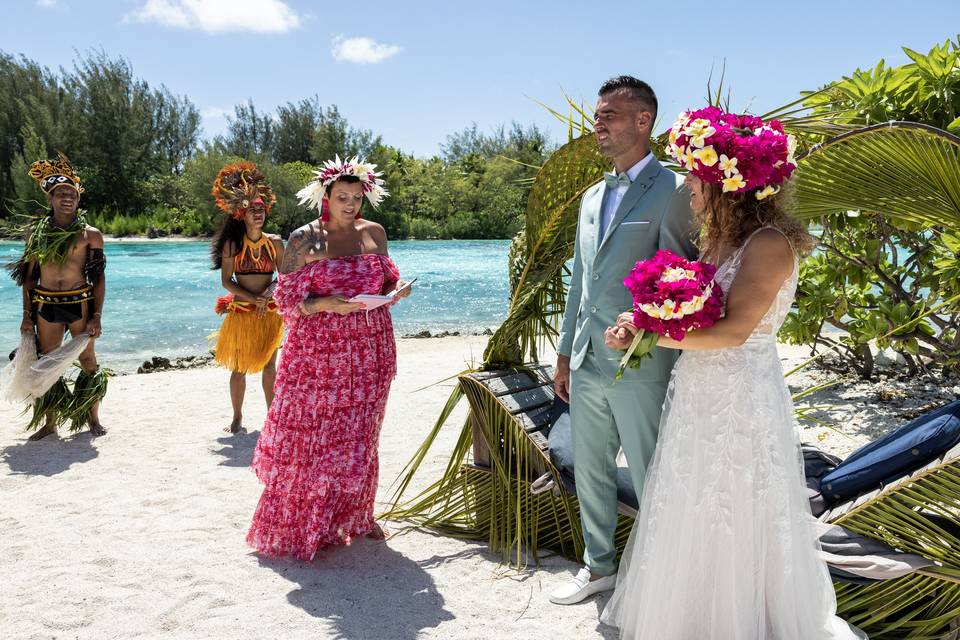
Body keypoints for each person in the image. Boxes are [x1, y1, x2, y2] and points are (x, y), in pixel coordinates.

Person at [601, 107, 864, 638]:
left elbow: (736, 330)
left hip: (741, 393)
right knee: (692, 496)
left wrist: (659, 334)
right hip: (699, 388)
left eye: (697, 183)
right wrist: (642, 323)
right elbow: (696, 317)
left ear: (728, 189)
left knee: (737, 499)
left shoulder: (767, 245)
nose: (690, 194)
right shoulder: (716, 243)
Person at [549, 77, 698, 605]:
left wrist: (643, 331)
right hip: (587, 358)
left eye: (610, 115)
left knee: (652, 466)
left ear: (643, 121)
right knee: (590, 466)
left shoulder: (675, 190)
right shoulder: (592, 197)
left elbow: (684, 278)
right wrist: (564, 353)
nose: (599, 125)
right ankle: (598, 567)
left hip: (642, 361)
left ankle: (664, 570)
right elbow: (580, 284)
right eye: (598, 116)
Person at [247, 156, 412, 560]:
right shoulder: (306, 239)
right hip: (318, 358)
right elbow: (283, 301)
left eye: (357, 197)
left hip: (370, 350)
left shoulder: (375, 233)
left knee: (360, 437)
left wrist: (397, 290)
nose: (350, 204)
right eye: (342, 197)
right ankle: (310, 524)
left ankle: (357, 516)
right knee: (314, 440)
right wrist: (323, 304)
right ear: (326, 195)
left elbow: (387, 278)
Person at [7, 153, 108, 440]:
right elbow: (29, 278)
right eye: (60, 193)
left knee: (88, 361)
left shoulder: (91, 235)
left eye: (71, 193)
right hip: (46, 304)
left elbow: (98, 277)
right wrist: (26, 316)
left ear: (78, 198)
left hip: (80, 303)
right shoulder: (35, 236)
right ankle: (50, 423)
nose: (67, 197)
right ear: (50, 198)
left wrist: (98, 316)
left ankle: (93, 418)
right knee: (47, 363)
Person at [209, 162, 285, 434]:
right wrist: (254, 298)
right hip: (243, 311)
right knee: (239, 367)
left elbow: (285, 276)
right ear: (241, 214)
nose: (258, 213)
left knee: (269, 366)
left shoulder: (274, 242)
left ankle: (272, 417)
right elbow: (226, 281)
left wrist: (270, 292)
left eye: (261, 209)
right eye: (252, 209)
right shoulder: (233, 244)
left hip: (270, 312)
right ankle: (237, 417)